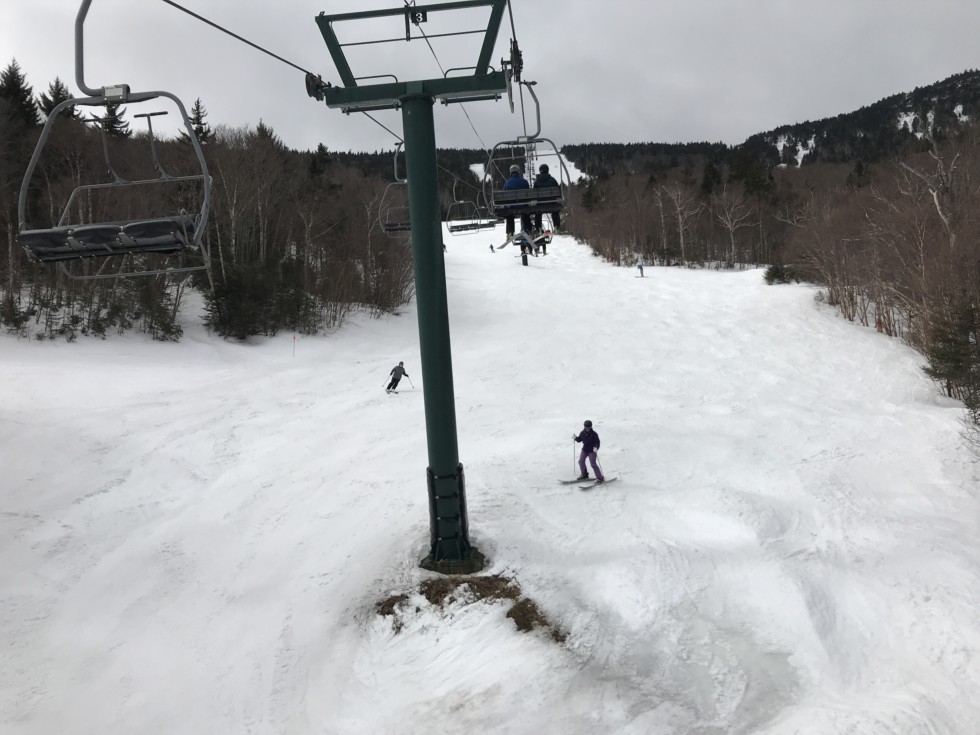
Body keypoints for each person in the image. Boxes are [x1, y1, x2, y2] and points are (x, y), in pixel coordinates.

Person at [503, 164, 533, 238]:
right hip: (523, 206)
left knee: (510, 215)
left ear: (511, 172)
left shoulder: (507, 183)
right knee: (525, 213)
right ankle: (528, 230)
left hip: (512, 207)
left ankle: (510, 232)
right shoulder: (524, 182)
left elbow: (504, 195)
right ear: (518, 172)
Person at [532, 163, 562, 233]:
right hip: (552, 204)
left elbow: (534, 194)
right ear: (547, 170)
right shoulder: (553, 180)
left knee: (538, 213)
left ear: (540, 171)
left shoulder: (537, 182)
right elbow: (558, 191)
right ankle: (556, 228)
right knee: (555, 212)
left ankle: (539, 228)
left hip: (540, 205)